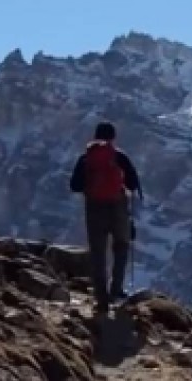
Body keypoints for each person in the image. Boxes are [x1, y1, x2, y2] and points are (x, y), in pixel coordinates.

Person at [69, 121, 143, 313]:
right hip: (118, 206)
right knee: (121, 246)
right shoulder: (119, 156)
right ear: (113, 137)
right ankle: (116, 290)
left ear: (95, 136)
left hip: (94, 208)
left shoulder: (86, 158)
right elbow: (133, 184)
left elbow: (75, 186)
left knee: (98, 253)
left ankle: (101, 299)